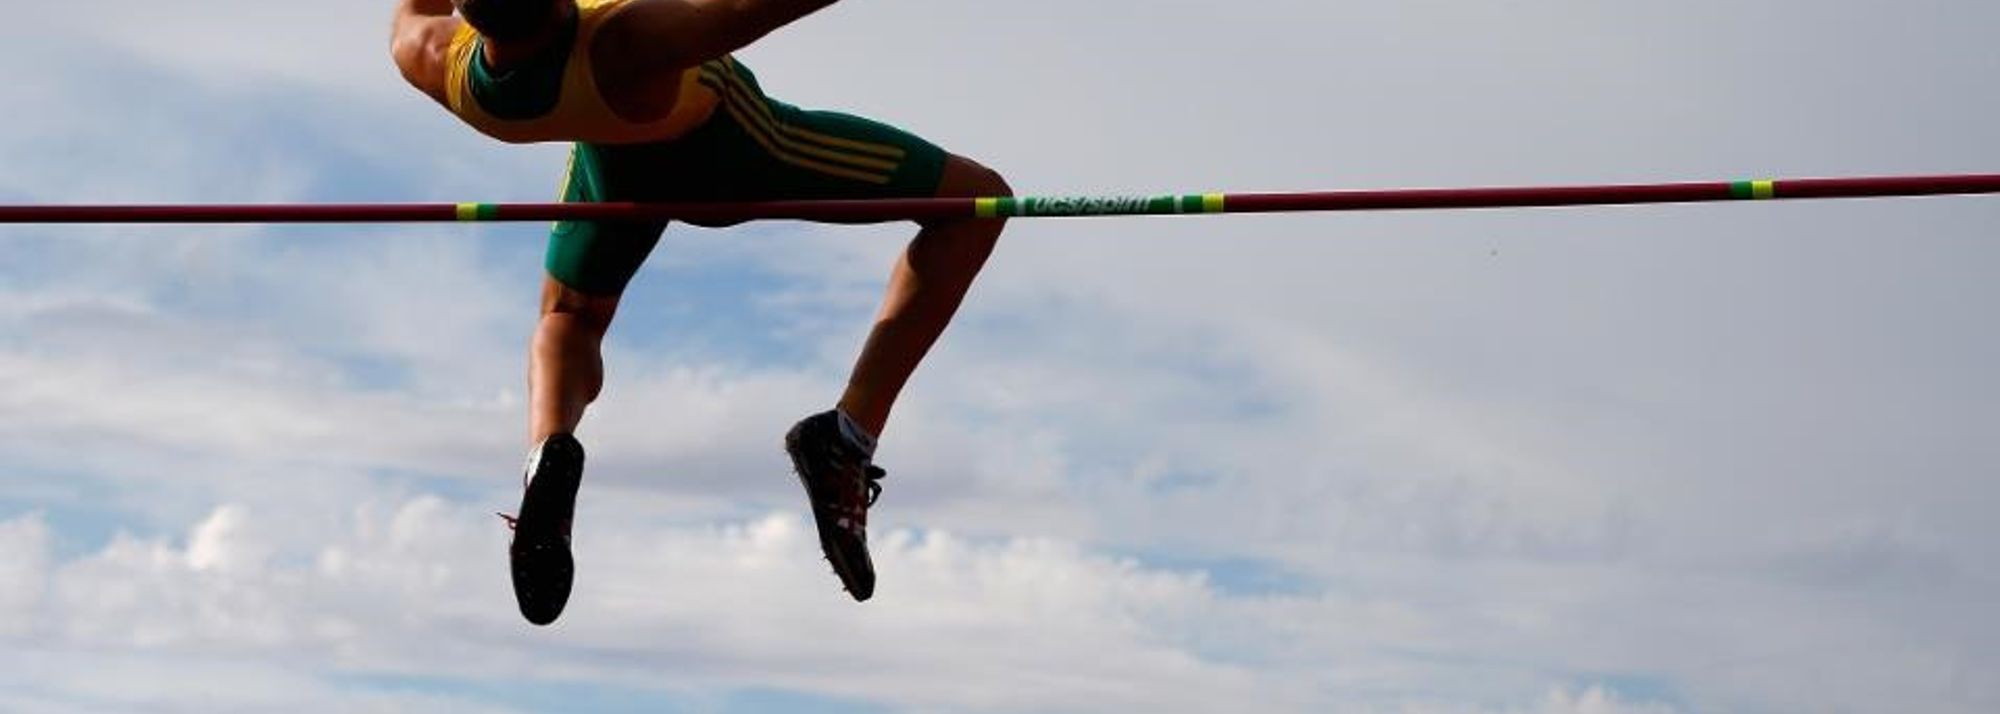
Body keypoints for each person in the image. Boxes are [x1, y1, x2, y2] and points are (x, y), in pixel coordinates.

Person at [389, 0, 1010, 624]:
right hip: (733, 159)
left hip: (614, 169)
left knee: (568, 317)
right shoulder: (630, 40)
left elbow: (412, 16)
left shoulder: (442, 62)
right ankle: (844, 437)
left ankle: (546, 452)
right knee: (976, 201)